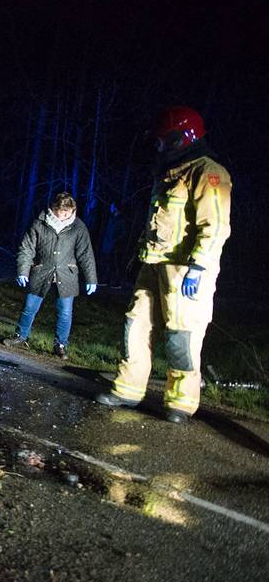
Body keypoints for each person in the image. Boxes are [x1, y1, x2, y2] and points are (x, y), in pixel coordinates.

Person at [96, 106, 231, 424]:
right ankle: (127, 389)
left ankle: (181, 403)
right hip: (153, 264)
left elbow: (216, 226)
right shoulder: (171, 172)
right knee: (136, 325)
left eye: (162, 140)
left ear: (182, 138)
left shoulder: (208, 173)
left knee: (181, 335)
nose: (158, 146)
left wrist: (198, 267)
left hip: (185, 270)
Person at [3, 192, 97, 359]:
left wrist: (91, 279)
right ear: (53, 209)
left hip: (67, 275)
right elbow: (27, 248)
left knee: (65, 312)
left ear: (72, 210)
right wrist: (23, 271)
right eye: (59, 212)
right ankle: (20, 336)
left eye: (66, 213)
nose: (61, 216)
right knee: (30, 307)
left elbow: (85, 254)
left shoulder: (78, 227)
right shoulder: (39, 223)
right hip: (41, 272)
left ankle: (60, 345)